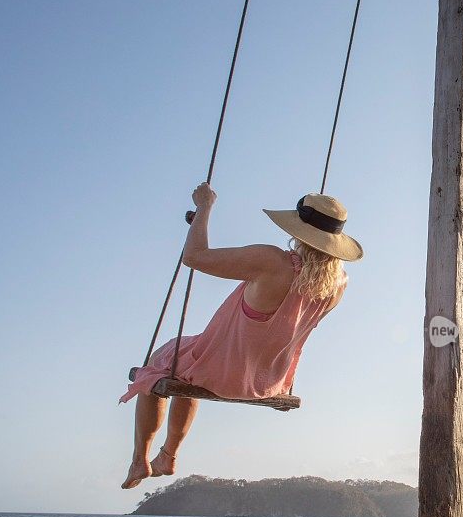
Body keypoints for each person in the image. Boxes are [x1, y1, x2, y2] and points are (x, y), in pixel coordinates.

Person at [119, 182, 363, 489]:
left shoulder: (273, 262)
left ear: (299, 230)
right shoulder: (336, 286)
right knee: (188, 364)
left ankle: (140, 459)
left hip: (222, 371)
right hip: (266, 381)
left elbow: (195, 256)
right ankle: (168, 455)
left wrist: (204, 207)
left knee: (161, 363)